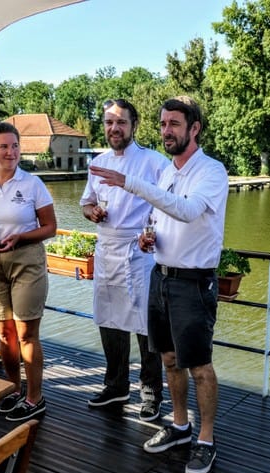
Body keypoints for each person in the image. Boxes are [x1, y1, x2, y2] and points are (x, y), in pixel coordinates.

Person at [92, 96, 228, 473]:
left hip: (194, 283)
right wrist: (148, 238)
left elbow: (186, 210)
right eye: (163, 124)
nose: (166, 131)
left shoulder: (211, 172)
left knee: (199, 366)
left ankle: (206, 439)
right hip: (161, 275)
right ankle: (180, 426)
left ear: (194, 129)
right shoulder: (167, 171)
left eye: (174, 125)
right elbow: (162, 217)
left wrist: (131, 183)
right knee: (168, 359)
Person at [80, 98, 168, 420]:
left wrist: (153, 232)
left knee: (146, 325)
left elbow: (168, 205)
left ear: (134, 125)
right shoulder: (98, 162)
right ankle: (116, 385)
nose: (114, 128)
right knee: (109, 320)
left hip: (139, 252)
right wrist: (93, 213)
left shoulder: (153, 162)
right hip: (106, 249)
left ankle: (150, 392)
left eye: (121, 122)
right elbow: (86, 204)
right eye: (108, 122)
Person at [0, 121, 57, 422]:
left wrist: (20, 236)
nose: (11, 152)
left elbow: (50, 227)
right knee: (5, 334)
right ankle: (13, 389)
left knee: (26, 334)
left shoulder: (32, 184)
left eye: (15, 145)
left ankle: (35, 398)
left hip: (26, 260)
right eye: (4, 146)